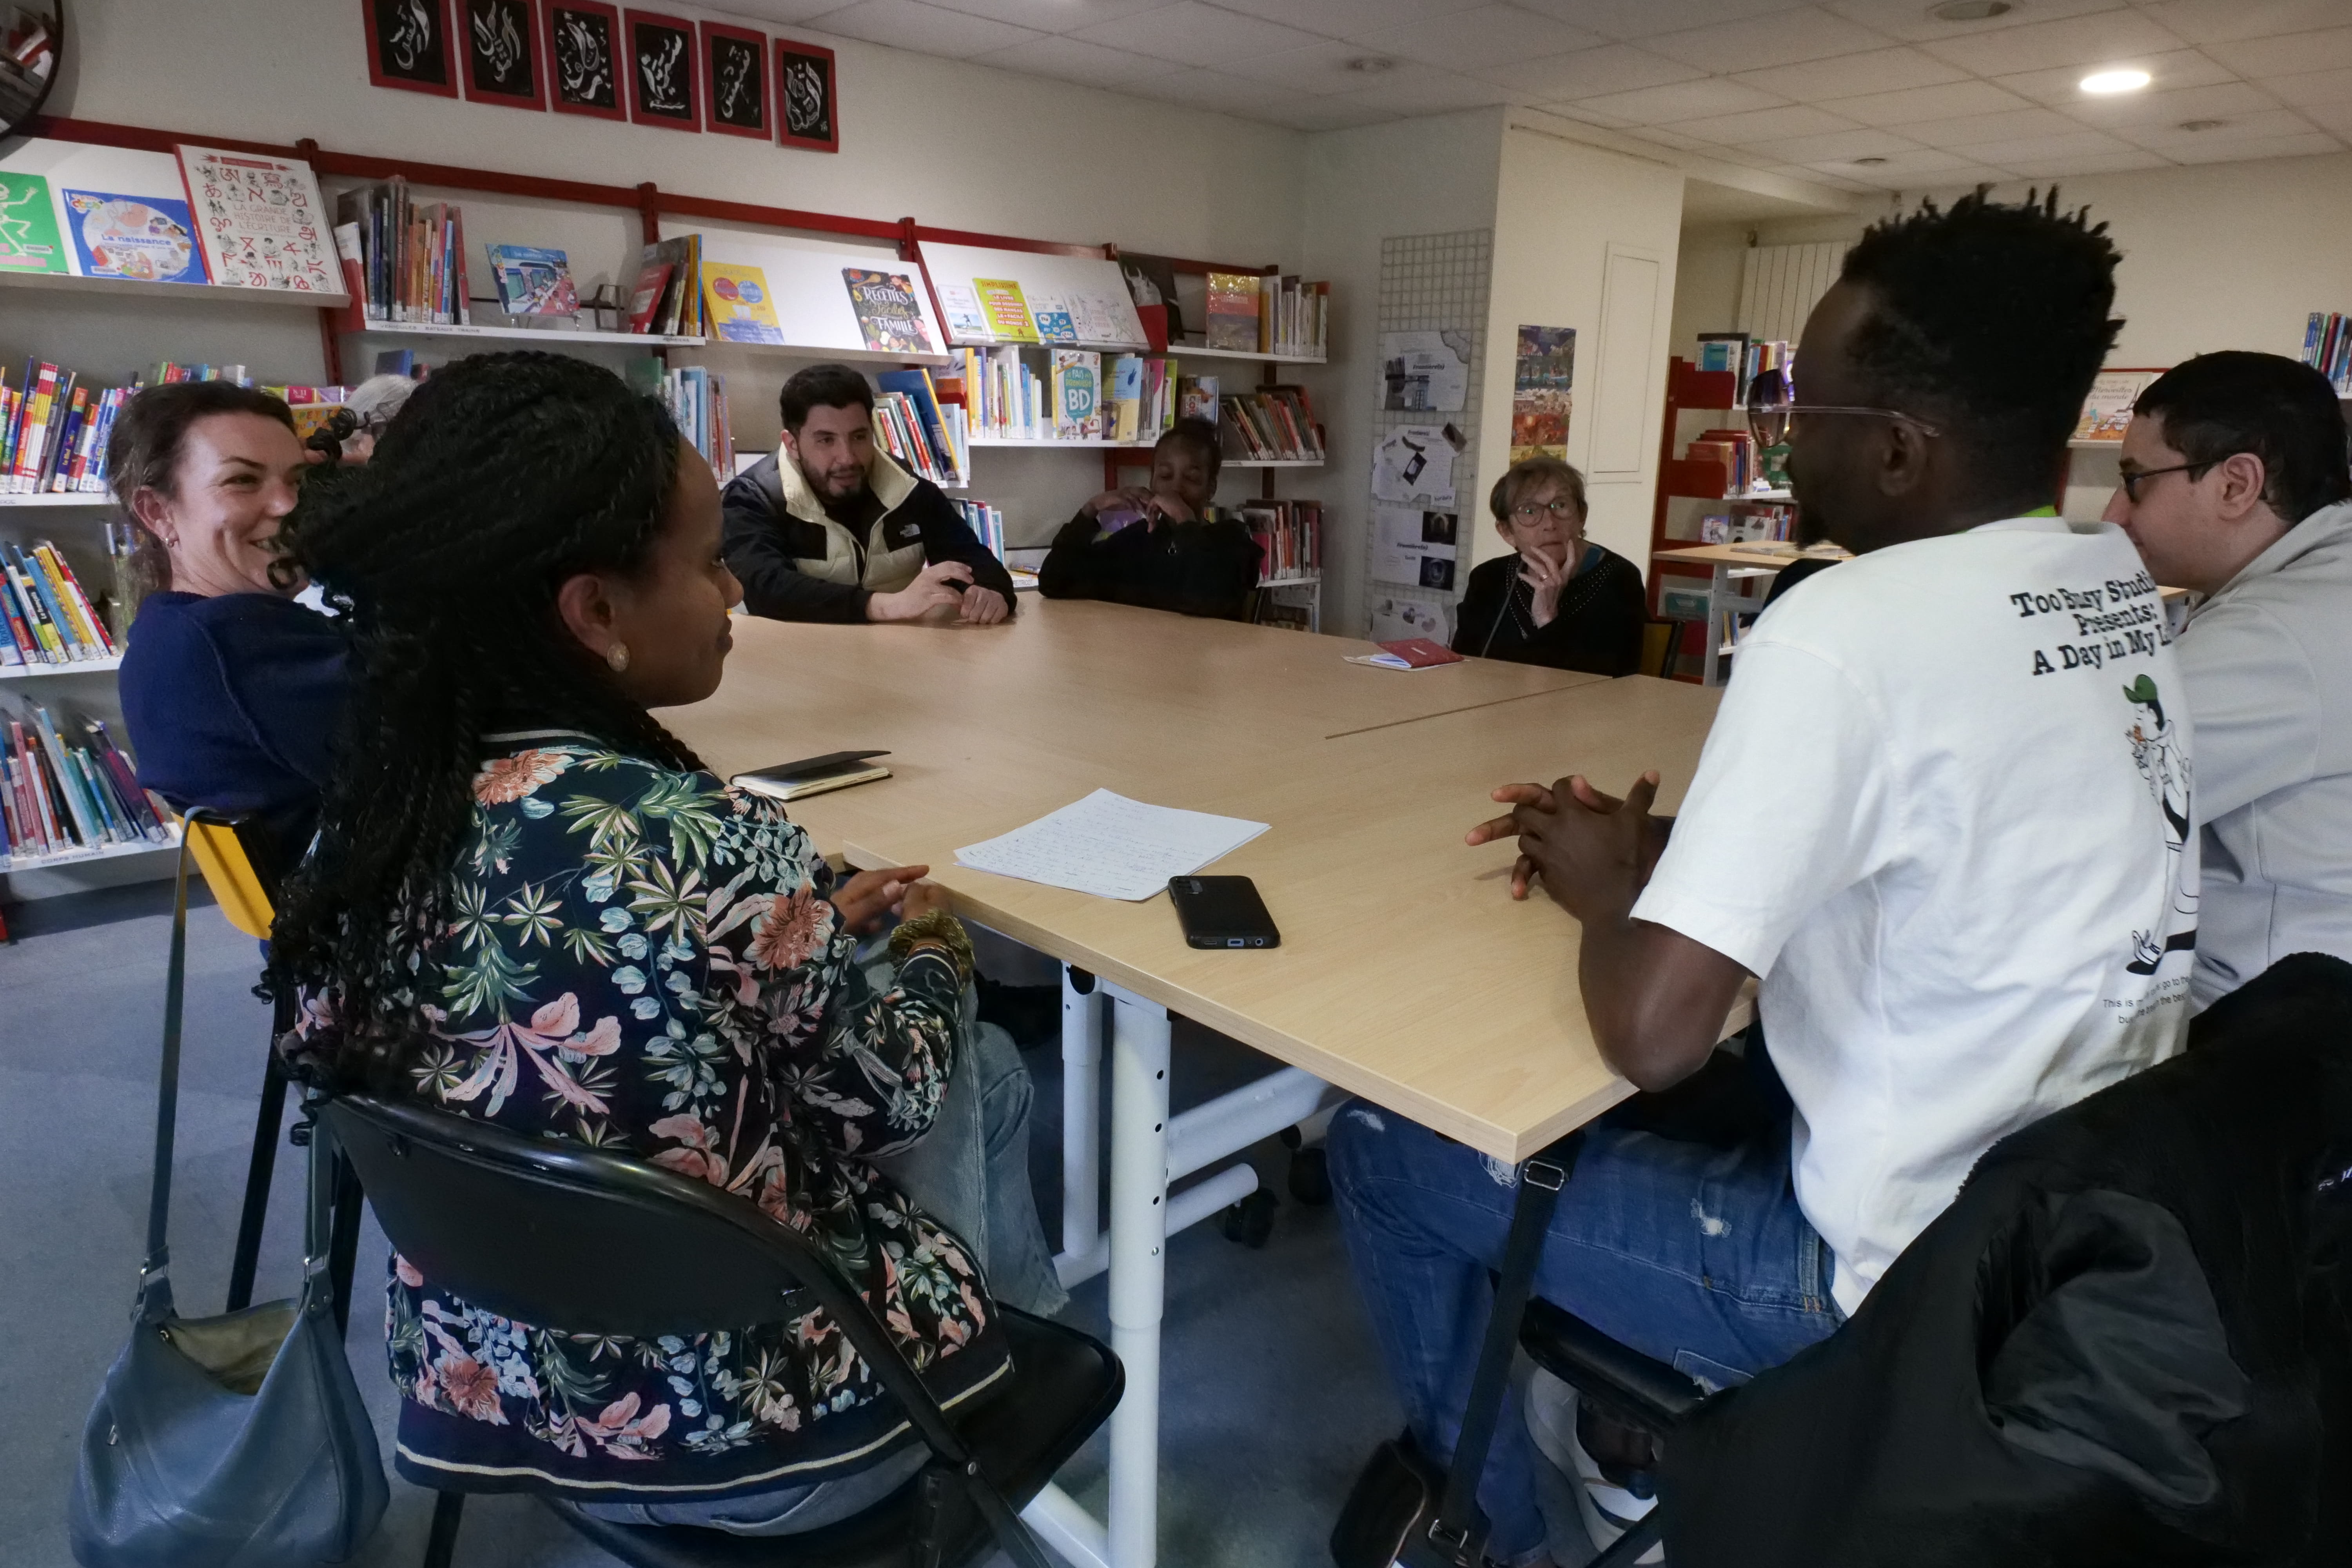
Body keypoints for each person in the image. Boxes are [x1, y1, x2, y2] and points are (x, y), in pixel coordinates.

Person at [1328, 191, 2201, 1568]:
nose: (1780, 437)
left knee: (1384, 1142)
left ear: (1899, 446)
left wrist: (1612, 895)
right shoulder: (2106, 584)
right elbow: (1935, 826)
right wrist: (1674, 849)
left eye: (1805, 408)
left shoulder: (1845, 622)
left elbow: (1654, 1035)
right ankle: (1627, 1444)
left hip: (1888, 1276)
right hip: (2062, 1223)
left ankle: (1480, 1533)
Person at [264, 352, 1047, 1531]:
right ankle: (1001, 1371)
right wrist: (937, 949)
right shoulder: (711, 843)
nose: (733, 589)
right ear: (595, 613)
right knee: (971, 1054)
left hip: (502, 1394)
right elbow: (887, 1102)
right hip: (771, 1439)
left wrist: (790, 937)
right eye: (709, 562)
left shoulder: (362, 833)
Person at [2103, 350, 2352, 1008]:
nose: (2114, 515)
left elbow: (2087, 794)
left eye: (2136, 481)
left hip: (2266, 1013)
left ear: (2237, 485)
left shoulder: (2277, 635)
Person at [114, 380, 347, 869]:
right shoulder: (235, 641)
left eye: (299, 481)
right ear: (158, 512)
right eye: (243, 480)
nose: (288, 505)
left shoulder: (165, 630)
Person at [723, 363, 1016, 626]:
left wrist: (990, 592)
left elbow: (974, 559)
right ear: (792, 444)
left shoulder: (907, 487)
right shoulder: (752, 498)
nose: (847, 458)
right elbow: (765, 589)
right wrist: (886, 606)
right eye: (826, 440)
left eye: (859, 437)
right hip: (788, 658)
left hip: (895, 655)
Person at [1037, 417, 1263, 620]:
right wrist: (1092, 507)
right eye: (1165, 476)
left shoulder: (1231, 541)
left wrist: (1185, 520)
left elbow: (1207, 600)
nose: (1176, 488)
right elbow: (1054, 582)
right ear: (1152, 482)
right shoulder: (1136, 540)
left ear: (1211, 488)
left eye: (1192, 479)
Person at [1450, 457, 1645, 674]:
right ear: (1507, 531)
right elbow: (1464, 668)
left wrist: (1547, 619)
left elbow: (1612, 680)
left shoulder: (1619, 578)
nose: (1550, 524)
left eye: (1560, 506)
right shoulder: (1488, 578)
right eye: (1530, 511)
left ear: (1582, 516)